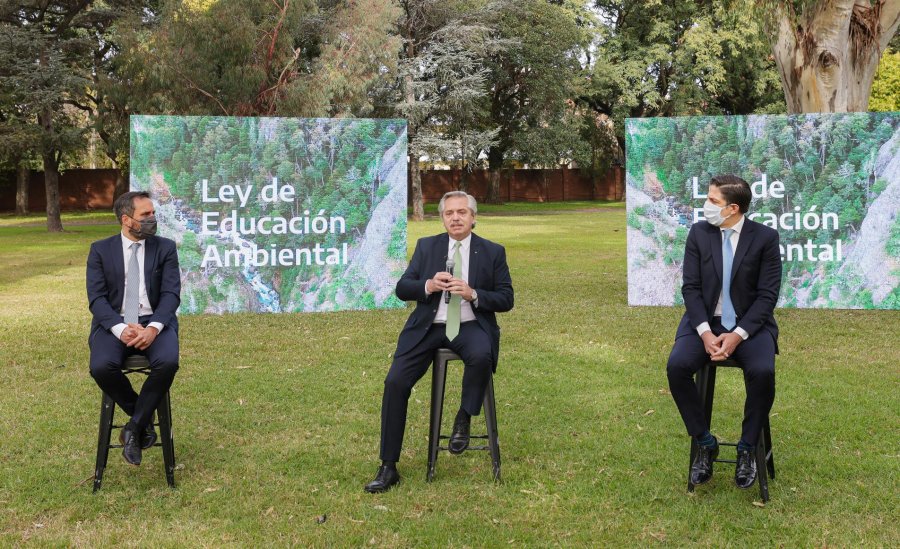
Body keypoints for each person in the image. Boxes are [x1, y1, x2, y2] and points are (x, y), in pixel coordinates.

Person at [364, 191, 514, 493]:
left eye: (462, 212)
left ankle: (463, 418)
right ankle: (388, 466)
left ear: (473, 217)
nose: (455, 218)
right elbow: (402, 288)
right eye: (449, 213)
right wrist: (428, 285)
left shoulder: (492, 251)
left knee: (482, 355)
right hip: (428, 327)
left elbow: (506, 298)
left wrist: (473, 294)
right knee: (395, 382)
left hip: (469, 324)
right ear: (442, 217)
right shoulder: (426, 246)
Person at [666, 175, 782, 490]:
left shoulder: (765, 238)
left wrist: (737, 335)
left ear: (732, 208)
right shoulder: (699, 234)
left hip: (750, 326)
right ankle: (705, 442)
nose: (706, 205)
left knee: (762, 371)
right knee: (676, 367)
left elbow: (767, 297)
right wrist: (705, 333)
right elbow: (690, 288)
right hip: (704, 322)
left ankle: (747, 449)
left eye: (713, 200)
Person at [87, 191, 181, 466]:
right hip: (114, 324)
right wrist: (119, 328)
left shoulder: (165, 248)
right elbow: (96, 298)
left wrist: (152, 328)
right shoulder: (100, 250)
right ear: (127, 220)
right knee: (101, 367)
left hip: (153, 321)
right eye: (146, 215)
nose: (153, 218)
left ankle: (133, 427)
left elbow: (171, 294)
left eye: (153, 212)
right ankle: (144, 423)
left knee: (167, 362)